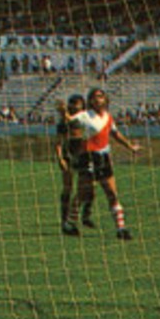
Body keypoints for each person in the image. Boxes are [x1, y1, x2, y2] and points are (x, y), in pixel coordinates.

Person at [61, 87, 141, 240]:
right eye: (95, 97)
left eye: (101, 96)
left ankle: (121, 229)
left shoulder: (108, 118)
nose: (98, 99)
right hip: (88, 157)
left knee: (111, 192)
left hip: (104, 158)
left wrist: (129, 146)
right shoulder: (85, 116)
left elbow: (115, 134)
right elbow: (70, 120)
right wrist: (63, 112)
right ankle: (69, 223)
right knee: (84, 192)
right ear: (91, 100)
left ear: (105, 100)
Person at [54, 93, 93, 235]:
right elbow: (58, 143)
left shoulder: (86, 119)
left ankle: (85, 215)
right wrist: (60, 159)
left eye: (78, 104)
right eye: (73, 104)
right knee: (68, 188)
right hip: (69, 154)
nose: (75, 107)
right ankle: (65, 222)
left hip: (84, 154)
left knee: (88, 187)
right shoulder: (64, 123)